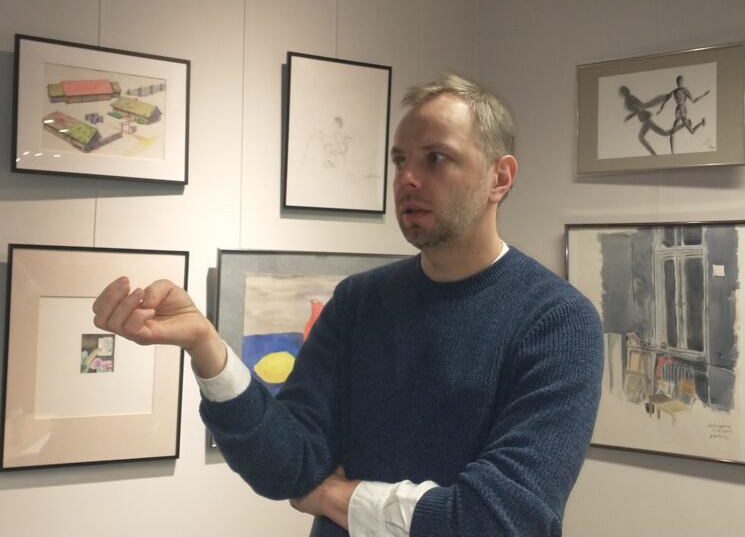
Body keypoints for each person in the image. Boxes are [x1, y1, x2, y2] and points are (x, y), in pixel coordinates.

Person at [93, 73, 604, 537]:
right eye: (400, 160)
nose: (407, 178)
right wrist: (206, 346)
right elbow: (288, 466)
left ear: (500, 178)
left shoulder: (557, 322)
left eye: (435, 158)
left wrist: (335, 497)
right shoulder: (360, 300)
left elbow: (500, 520)